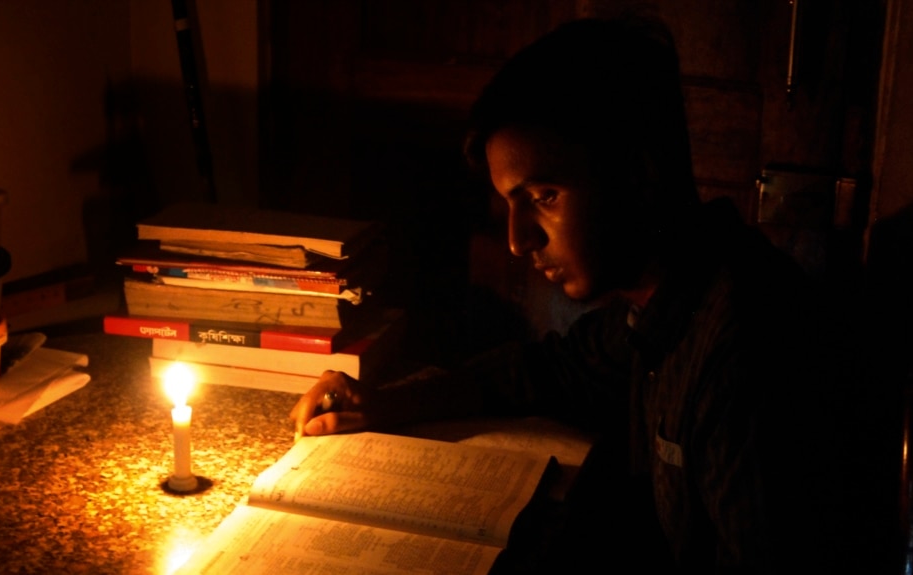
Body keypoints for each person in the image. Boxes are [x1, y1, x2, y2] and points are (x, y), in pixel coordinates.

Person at [290, 15, 842, 574]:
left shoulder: (742, 348)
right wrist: (385, 403)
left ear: (637, 173)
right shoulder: (658, 304)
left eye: (544, 196)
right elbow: (552, 370)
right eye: (510, 204)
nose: (516, 240)